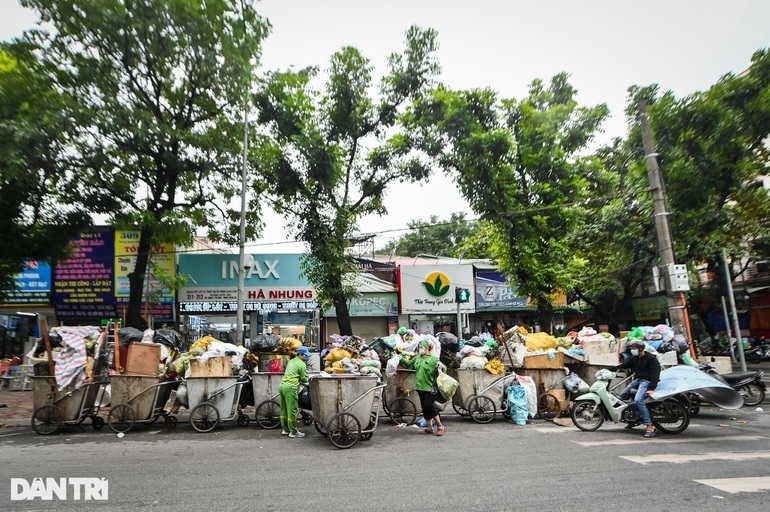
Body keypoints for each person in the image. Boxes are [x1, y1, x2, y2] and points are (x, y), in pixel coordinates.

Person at [611, 339, 661, 438]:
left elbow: (656, 373)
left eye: (634, 348)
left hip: (646, 382)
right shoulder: (635, 358)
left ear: (641, 349)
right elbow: (625, 365)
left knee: (638, 400)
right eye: (631, 349)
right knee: (621, 397)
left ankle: (650, 426)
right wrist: (608, 369)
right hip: (638, 380)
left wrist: (652, 388)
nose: (632, 350)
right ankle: (632, 419)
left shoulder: (651, 358)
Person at [399, 339, 446, 436]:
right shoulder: (417, 358)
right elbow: (409, 365)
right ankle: (429, 428)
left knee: (429, 406)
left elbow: (444, 369)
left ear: (427, 348)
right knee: (424, 408)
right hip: (420, 387)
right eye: (419, 347)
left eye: (422, 347)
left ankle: (439, 425)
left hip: (430, 387)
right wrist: (400, 359)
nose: (420, 349)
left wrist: (441, 366)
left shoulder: (433, 359)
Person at [279, 346, 310, 438]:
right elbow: (303, 378)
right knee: (292, 409)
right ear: (301, 354)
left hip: (282, 385)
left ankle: (285, 429)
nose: (307, 357)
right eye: (306, 355)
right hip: (291, 387)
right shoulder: (301, 364)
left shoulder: (291, 361)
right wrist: (309, 379)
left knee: (284, 408)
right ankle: (293, 432)